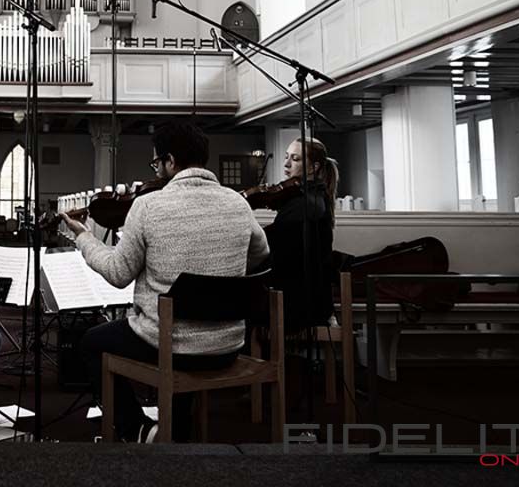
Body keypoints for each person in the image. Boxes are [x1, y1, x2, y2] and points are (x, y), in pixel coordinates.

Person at [62, 121, 270, 443]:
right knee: (184, 328)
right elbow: (261, 252)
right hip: (227, 345)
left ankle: (137, 429)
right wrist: (219, 271)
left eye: (157, 162)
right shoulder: (237, 202)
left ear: (170, 161)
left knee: (92, 343)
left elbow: (118, 273)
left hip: (172, 346)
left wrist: (85, 238)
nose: (157, 170)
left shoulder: (148, 205)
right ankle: (178, 430)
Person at [266, 137, 339, 332]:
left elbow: (275, 248)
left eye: (295, 159)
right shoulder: (310, 197)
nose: (286, 164)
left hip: (301, 302)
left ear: (314, 167)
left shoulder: (306, 203)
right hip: (309, 296)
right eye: (286, 157)